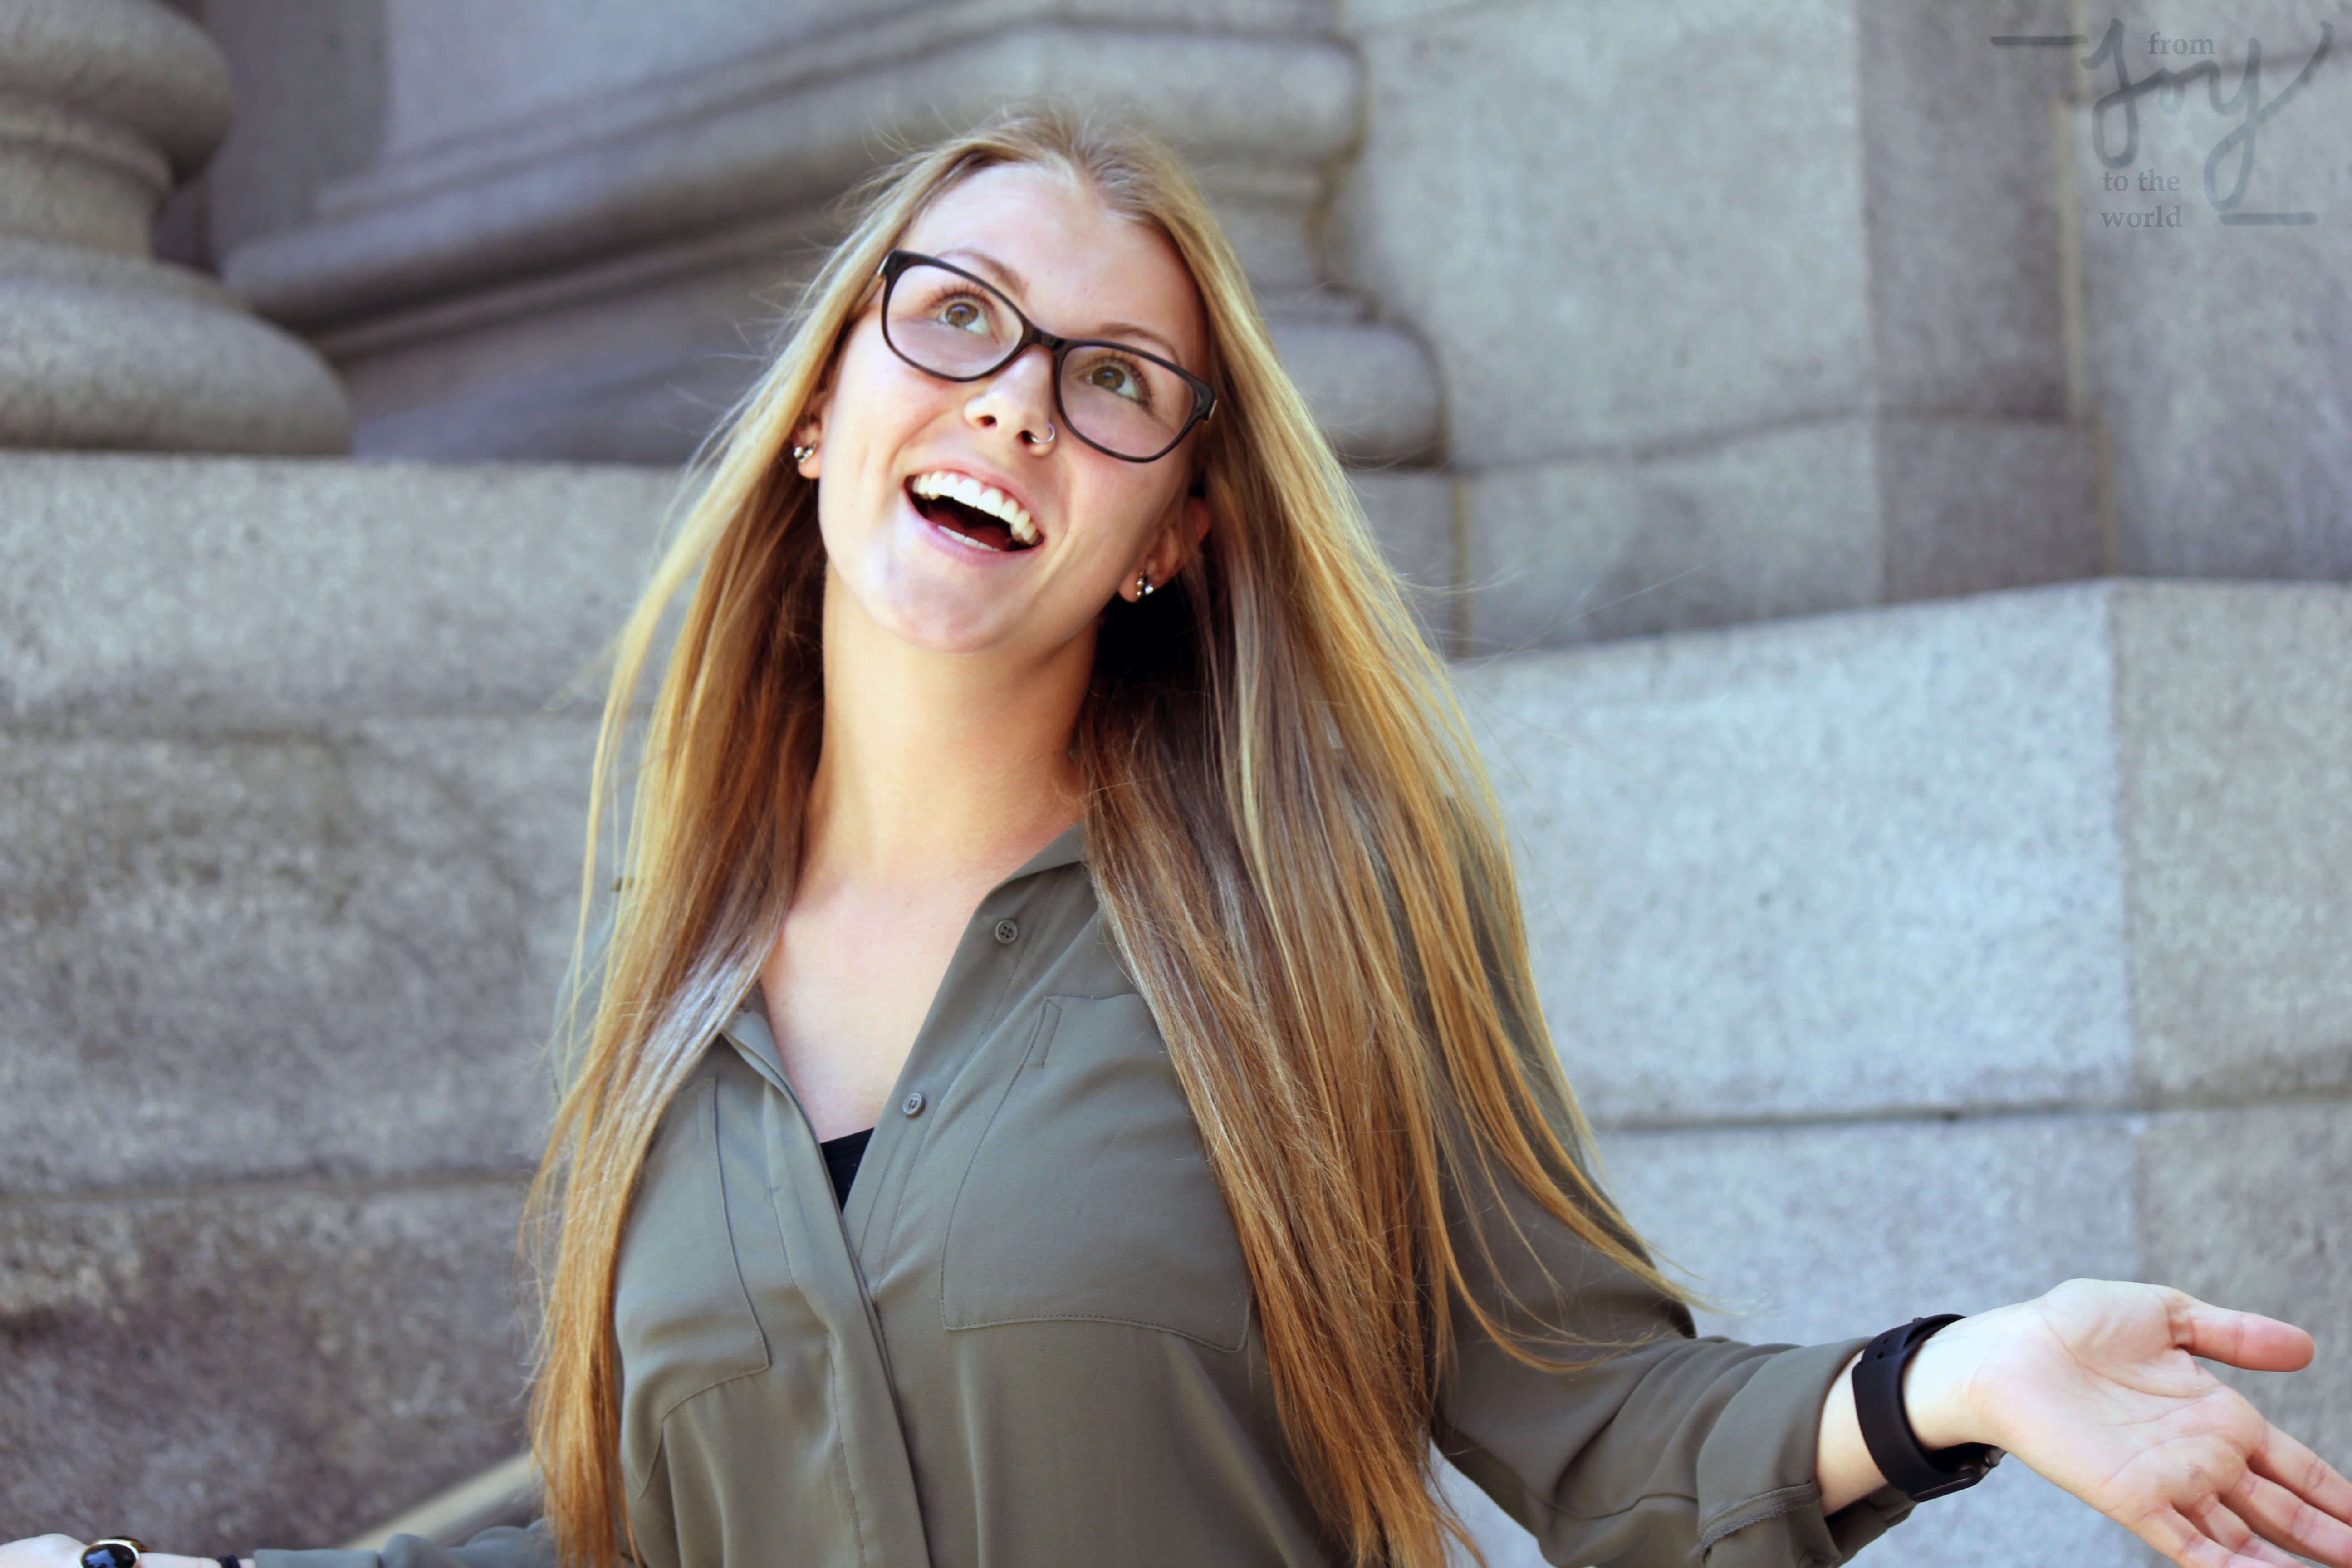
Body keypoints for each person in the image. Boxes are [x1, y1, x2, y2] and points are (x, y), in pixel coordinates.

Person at [10, 103, 2348, 1568]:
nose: (1015, 403)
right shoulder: (669, 968)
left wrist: (1956, 1380)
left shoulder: (1302, 923)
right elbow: (659, 1517)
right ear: (825, 410)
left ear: (1172, 537)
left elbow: (1600, 1429)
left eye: (1111, 383)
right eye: (956, 321)